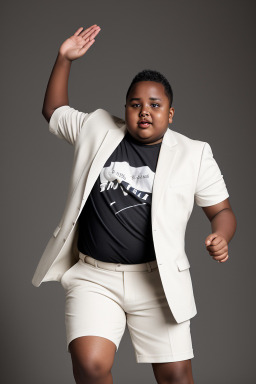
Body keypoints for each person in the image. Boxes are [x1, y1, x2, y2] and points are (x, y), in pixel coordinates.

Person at [32, 24, 237, 384]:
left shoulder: (194, 153)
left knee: (176, 376)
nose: (145, 111)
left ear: (170, 114)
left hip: (157, 283)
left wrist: (221, 235)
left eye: (155, 105)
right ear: (125, 108)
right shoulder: (96, 128)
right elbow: (54, 110)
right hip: (94, 277)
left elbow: (221, 211)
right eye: (135, 104)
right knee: (90, 365)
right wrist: (64, 58)